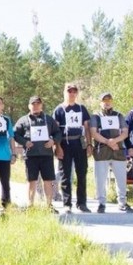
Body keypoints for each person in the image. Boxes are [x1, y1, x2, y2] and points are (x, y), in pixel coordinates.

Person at [14, 96, 63, 208]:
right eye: (33, 104)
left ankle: (49, 206)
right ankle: (30, 206)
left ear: (41, 105)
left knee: (48, 181)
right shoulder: (23, 120)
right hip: (30, 156)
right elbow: (15, 134)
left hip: (46, 155)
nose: (36, 106)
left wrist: (53, 141)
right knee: (31, 180)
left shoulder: (49, 119)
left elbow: (58, 133)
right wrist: (25, 142)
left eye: (38, 103)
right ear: (29, 106)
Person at [90, 92, 133, 213]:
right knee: (100, 179)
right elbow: (93, 133)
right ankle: (101, 203)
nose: (107, 102)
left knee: (121, 178)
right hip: (102, 151)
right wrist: (108, 142)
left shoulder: (119, 115)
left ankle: (122, 202)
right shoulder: (95, 116)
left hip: (117, 150)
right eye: (104, 100)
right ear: (100, 103)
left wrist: (115, 141)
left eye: (109, 100)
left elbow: (125, 132)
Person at [53, 83, 92, 212]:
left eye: (74, 91)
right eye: (69, 91)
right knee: (65, 175)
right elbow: (55, 130)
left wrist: (89, 144)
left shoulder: (81, 108)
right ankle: (67, 203)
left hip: (79, 143)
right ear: (65, 92)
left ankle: (82, 203)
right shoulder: (59, 110)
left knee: (82, 173)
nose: (72, 94)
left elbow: (87, 128)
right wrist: (57, 146)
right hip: (65, 143)